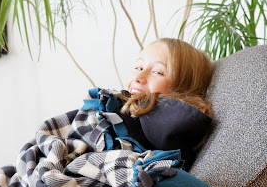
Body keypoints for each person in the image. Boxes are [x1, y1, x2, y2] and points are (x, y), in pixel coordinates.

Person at [90, 38, 215, 171]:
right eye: (139, 68)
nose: (138, 76)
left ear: (183, 89)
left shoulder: (167, 119)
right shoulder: (118, 102)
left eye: (157, 72)